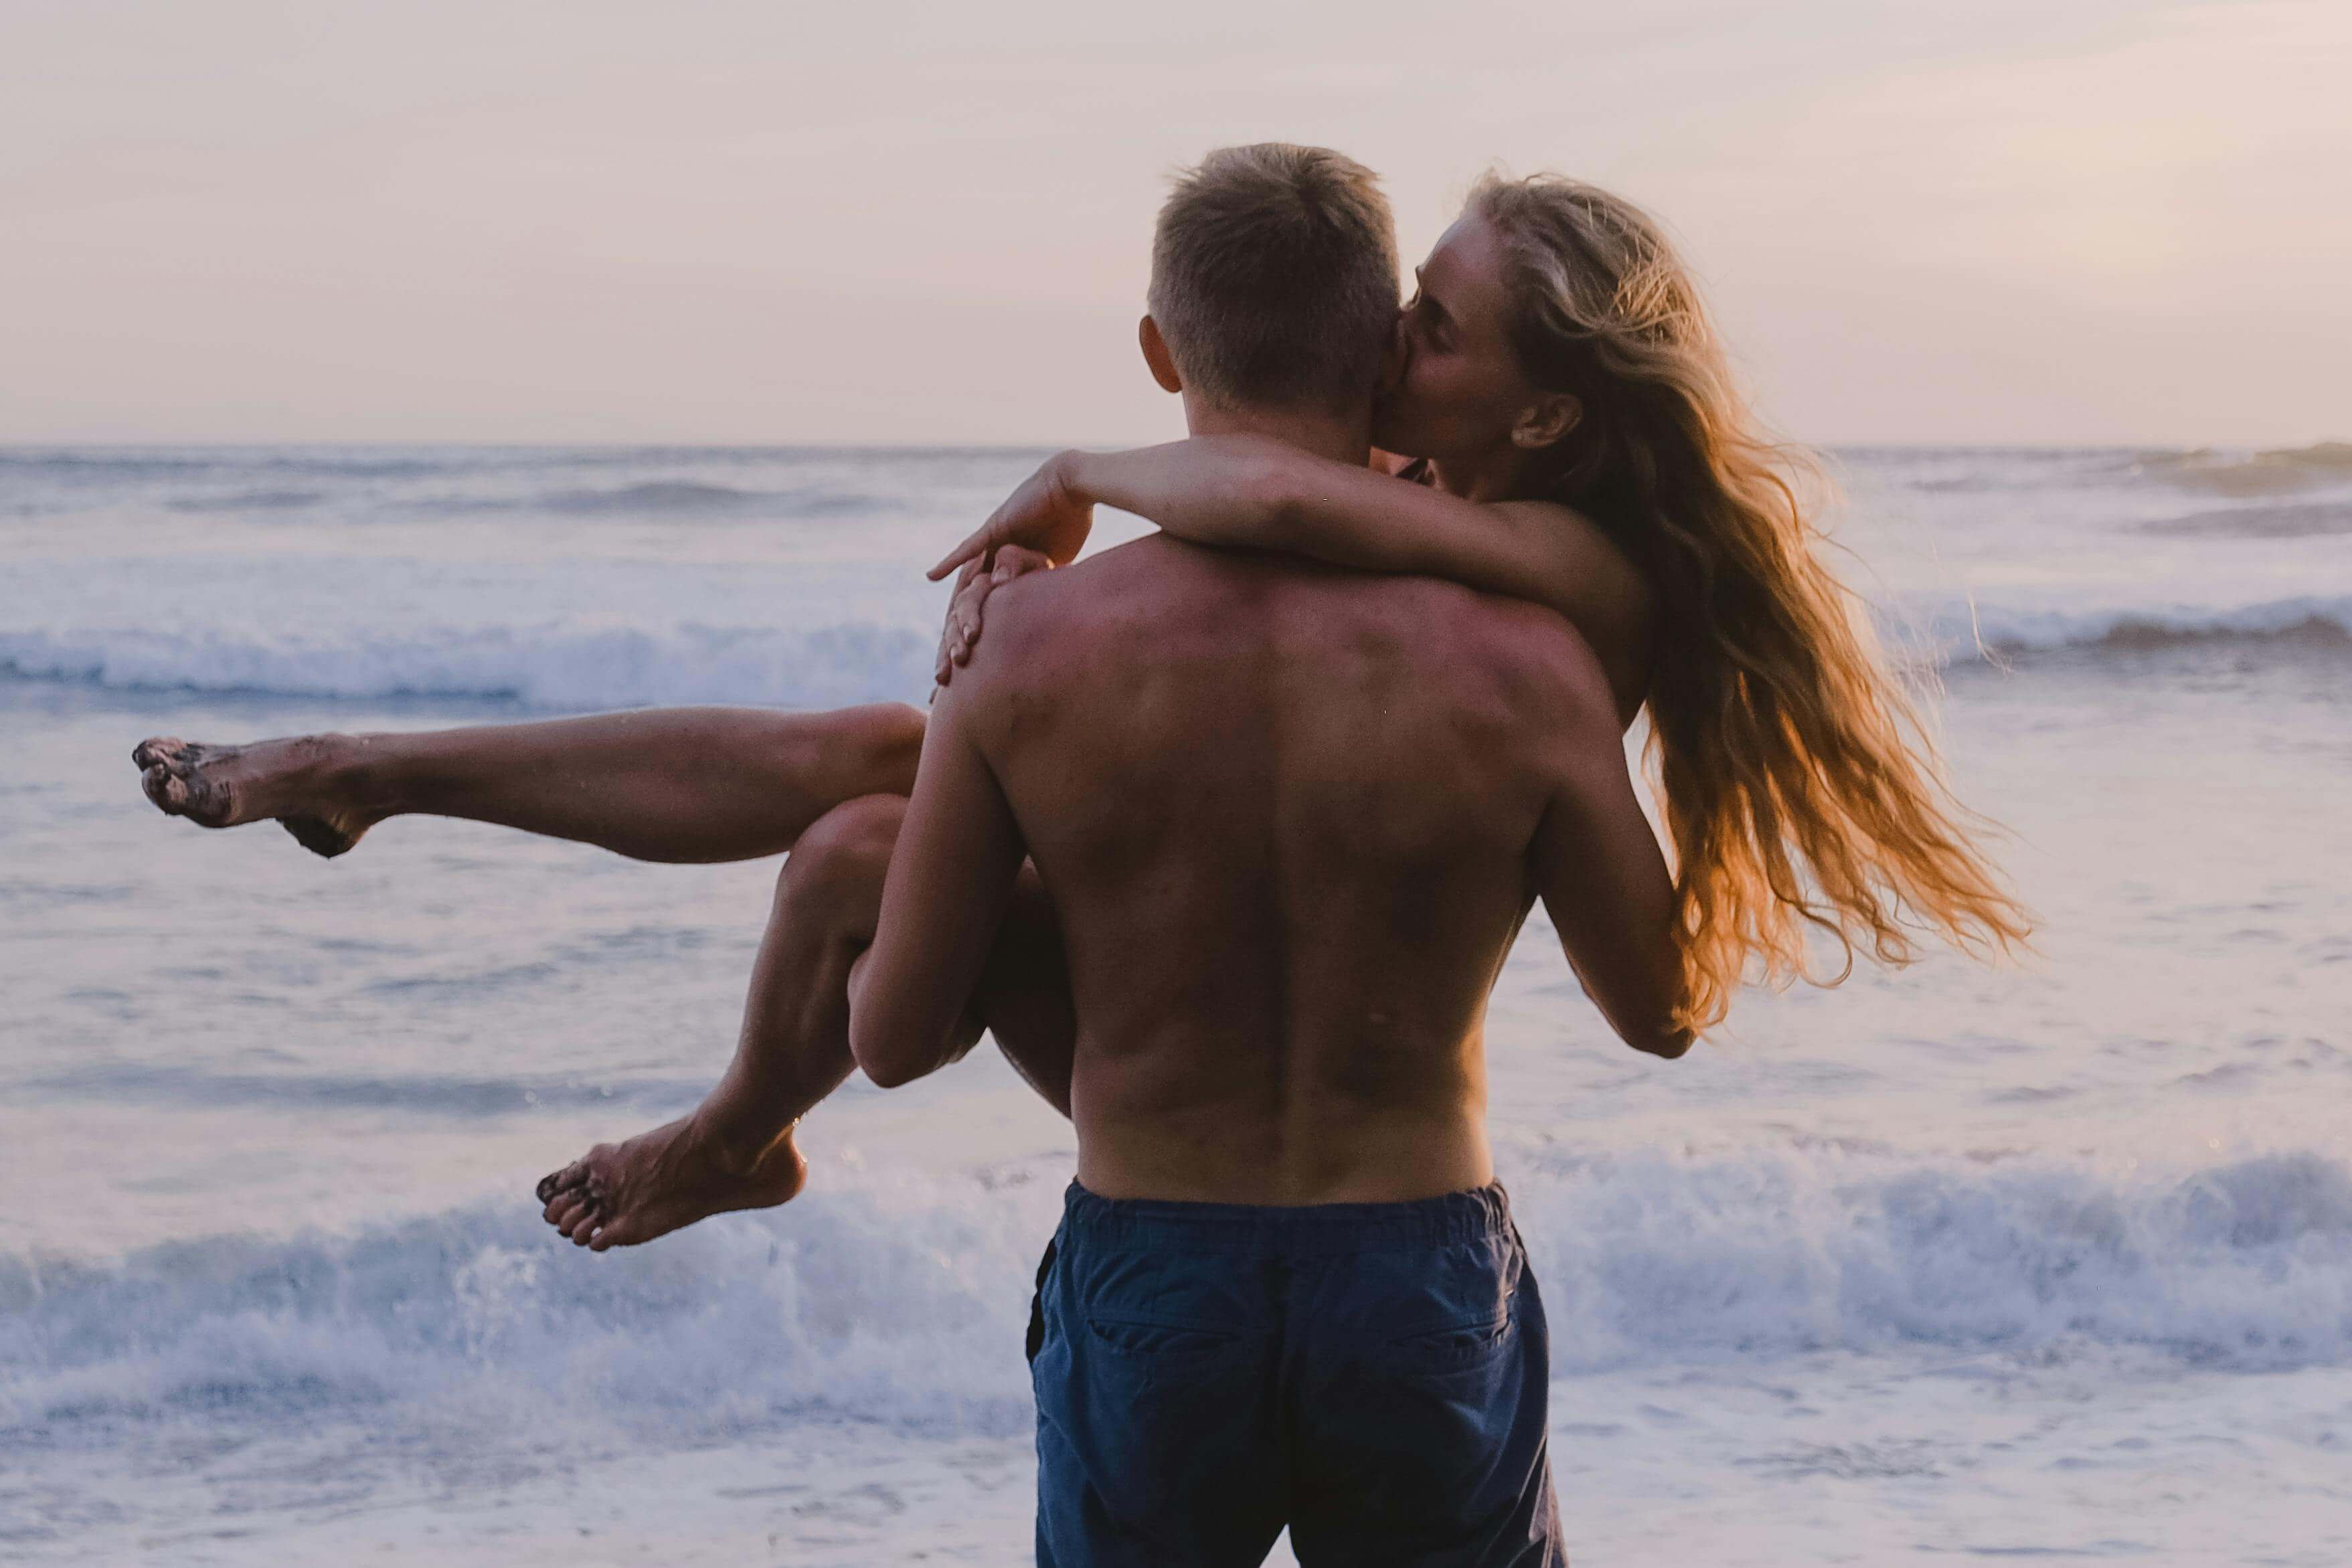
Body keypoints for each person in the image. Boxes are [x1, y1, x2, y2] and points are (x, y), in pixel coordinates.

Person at [133, 151, 2029, 1250]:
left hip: (1203, 1099)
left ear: (1542, 412)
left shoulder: (1570, 576)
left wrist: (1082, 469)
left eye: (1429, 332)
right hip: (1297, 1105)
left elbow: (1272, 487)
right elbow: (1282, 495)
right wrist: (1098, 500)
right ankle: (372, 772)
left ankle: (716, 1123)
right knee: (880, 768)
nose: (1390, 345)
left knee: (882, 809)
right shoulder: (1461, 520)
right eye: (1403, 309)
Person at [847, 140, 1677, 1564]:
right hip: (1413, 1270)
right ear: (1378, 350)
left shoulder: (1020, 644)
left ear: (1163, 351)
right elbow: (1658, 1008)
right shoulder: (1529, 662)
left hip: (1159, 1262)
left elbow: (896, 1034)